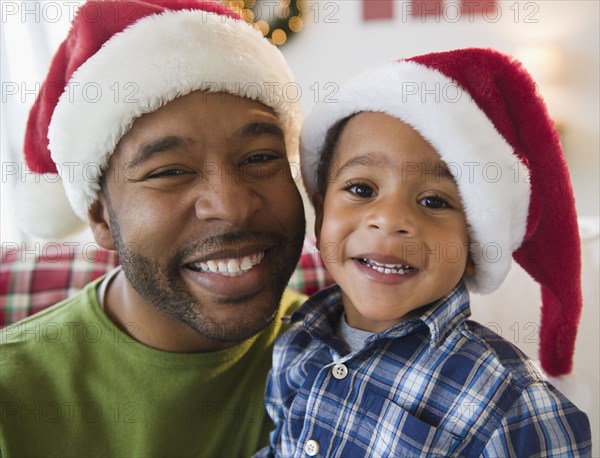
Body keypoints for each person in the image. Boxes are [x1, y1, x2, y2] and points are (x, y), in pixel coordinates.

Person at [0, 1, 308, 456]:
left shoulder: (341, 354)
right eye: (169, 171)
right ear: (101, 217)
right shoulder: (12, 393)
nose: (232, 206)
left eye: (261, 157)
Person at [261, 48, 592, 457]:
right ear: (321, 210)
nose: (390, 218)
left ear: (474, 246)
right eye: (362, 189)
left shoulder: (513, 402)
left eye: (434, 201)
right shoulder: (294, 346)